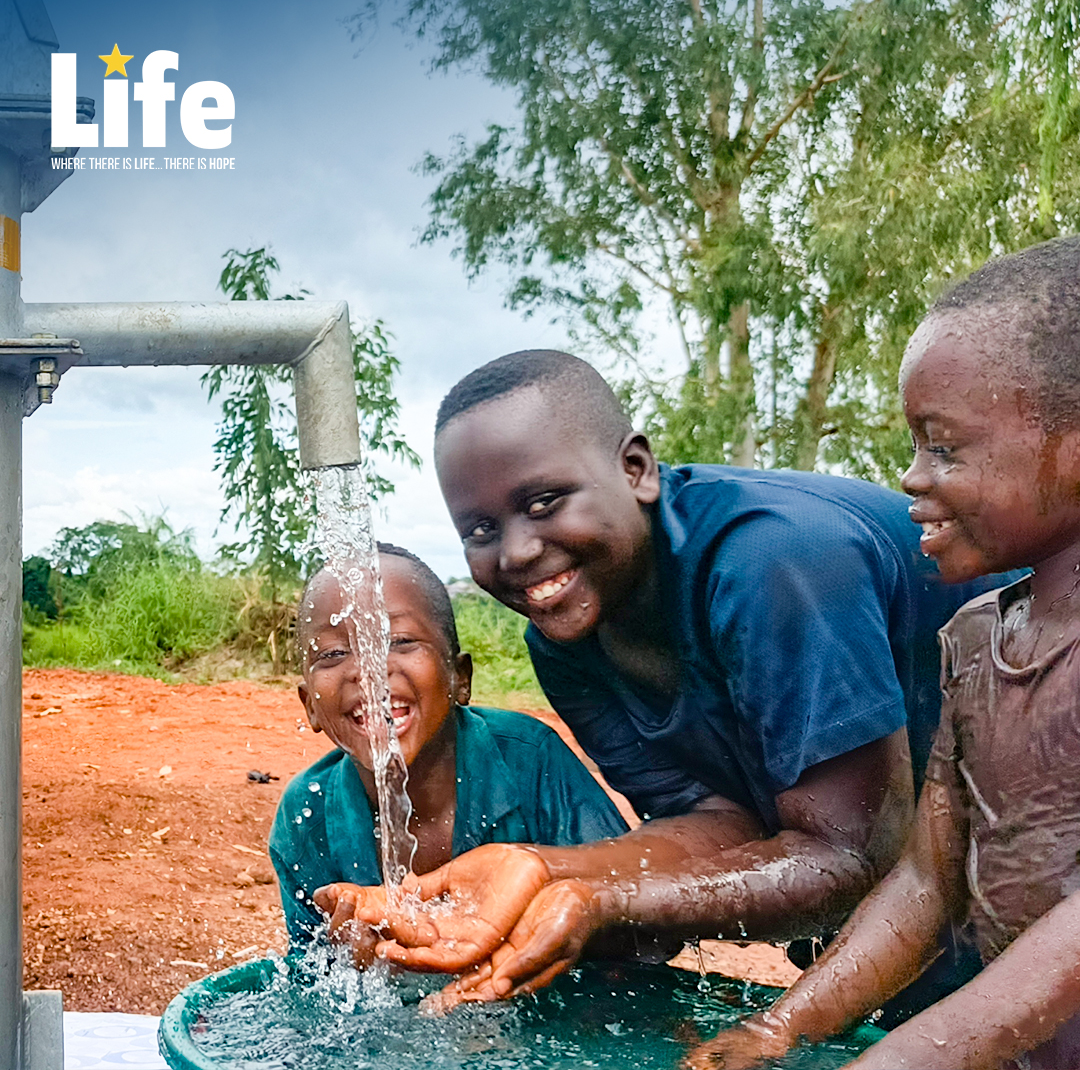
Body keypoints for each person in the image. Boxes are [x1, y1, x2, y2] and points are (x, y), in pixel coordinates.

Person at [330, 344, 1013, 1014]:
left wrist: (599, 903)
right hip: (931, 868)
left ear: (636, 469)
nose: (517, 551)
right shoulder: (567, 638)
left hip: (1032, 826)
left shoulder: (772, 563)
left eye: (544, 502)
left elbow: (853, 857)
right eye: (480, 528)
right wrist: (536, 868)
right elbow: (720, 824)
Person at [686, 237, 1080, 1070]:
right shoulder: (975, 643)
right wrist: (780, 1027)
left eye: (942, 446)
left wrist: (906, 1058)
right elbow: (927, 882)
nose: (911, 477)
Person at [268, 542, 628, 955]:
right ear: (309, 705)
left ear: (459, 677)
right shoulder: (306, 816)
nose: (367, 670)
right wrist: (344, 962)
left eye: (399, 640)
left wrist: (542, 913)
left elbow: (641, 918)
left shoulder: (531, 761)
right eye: (333, 653)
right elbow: (306, 979)